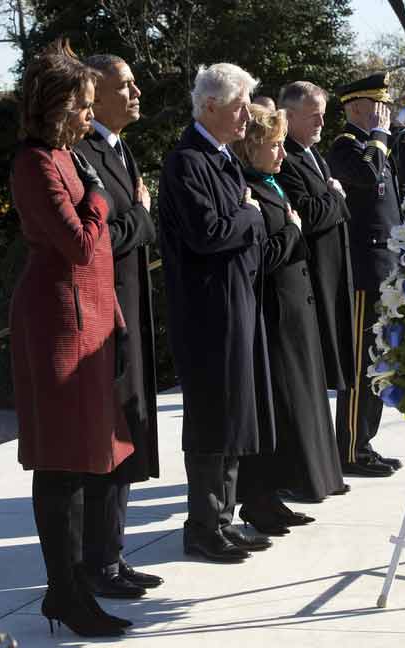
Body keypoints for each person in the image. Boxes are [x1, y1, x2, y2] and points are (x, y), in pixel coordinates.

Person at [10, 38, 132, 637]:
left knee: (85, 462)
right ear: (58, 106)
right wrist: (104, 201)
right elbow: (81, 244)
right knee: (60, 464)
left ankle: (76, 584)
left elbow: (98, 258)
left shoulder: (68, 157)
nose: (91, 115)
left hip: (90, 321)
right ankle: (64, 592)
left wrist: (118, 321)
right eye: (84, 105)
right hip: (57, 324)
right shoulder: (34, 163)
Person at [159, 63, 274, 563]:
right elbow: (210, 232)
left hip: (236, 300)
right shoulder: (188, 161)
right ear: (209, 106)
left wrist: (245, 218)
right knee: (211, 418)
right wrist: (249, 214)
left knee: (232, 417)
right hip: (208, 311)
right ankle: (203, 525)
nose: (247, 114)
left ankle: (223, 518)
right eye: (239, 105)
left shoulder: (222, 157)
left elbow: (241, 230)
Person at [232, 104, 347, 528]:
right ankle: (260, 499)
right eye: (274, 145)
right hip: (275, 310)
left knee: (296, 405)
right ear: (253, 146)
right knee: (278, 408)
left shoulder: (271, 184)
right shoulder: (250, 187)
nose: (282, 155)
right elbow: (265, 254)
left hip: (297, 307)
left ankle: (277, 494)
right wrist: (295, 230)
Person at [75, 54, 162, 599]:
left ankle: (114, 553)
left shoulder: (119, 148)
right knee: (107, 438)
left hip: (129, 310)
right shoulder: (83, 153)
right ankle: (97, 561)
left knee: (127, 432)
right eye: (123, 86)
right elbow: (100, 237)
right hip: (104, 315)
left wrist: (138, 217)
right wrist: (143, 216)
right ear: (95, 96)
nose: (135, 92)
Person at [276, 82, 355, 483]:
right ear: (288, 117)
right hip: (311, 277)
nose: (323, 121)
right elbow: (306, 213)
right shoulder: (286, 158)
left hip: (331, 273)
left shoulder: (311, 152)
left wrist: (331, 196)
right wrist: (336, 198)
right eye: (314, 115)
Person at [326, 73, 404, 477]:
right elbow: (367, 176)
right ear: (355, 107)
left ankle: (364, 441)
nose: (385, 113)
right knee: (360, 365)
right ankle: (350, 448)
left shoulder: (376, 145)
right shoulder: (346, 146)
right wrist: (378, 137)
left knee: (377, 361)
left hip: (384, 267)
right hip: (363, 271)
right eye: (378, 105)